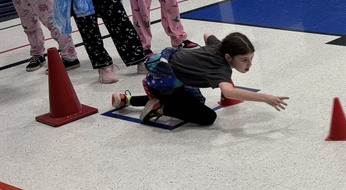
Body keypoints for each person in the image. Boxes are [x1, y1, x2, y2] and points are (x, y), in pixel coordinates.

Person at [113, 31, 288, 127]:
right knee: (207, 117)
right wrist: (265, 98)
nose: (249, 64)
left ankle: (127, 99)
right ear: (228, 57)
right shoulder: (220, 69)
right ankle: (162, 108)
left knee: (194, 100)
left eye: (251, 58)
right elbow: (229, 91)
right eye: (244, 60)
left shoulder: (217, 46)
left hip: (161, 78)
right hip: (165, 85)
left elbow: (207, 34)